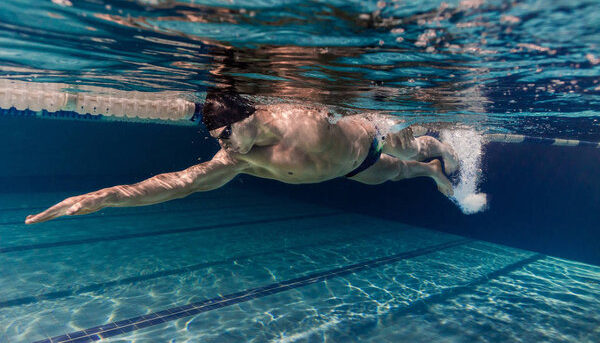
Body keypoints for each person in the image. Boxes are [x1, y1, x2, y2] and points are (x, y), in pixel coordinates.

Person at [25, 92, 458, 224]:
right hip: (349, 172)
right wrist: (102, 198)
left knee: (407, 150)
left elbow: (351, 103)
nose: (226, 147)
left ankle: (443, 148)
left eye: (228, 135)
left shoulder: (301, 118)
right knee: (398, 176)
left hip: (367, 145)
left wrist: (392, 117)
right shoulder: (239, 157)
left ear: (250, 118)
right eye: (218, 138)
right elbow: (180, 183)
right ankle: (431, 172)